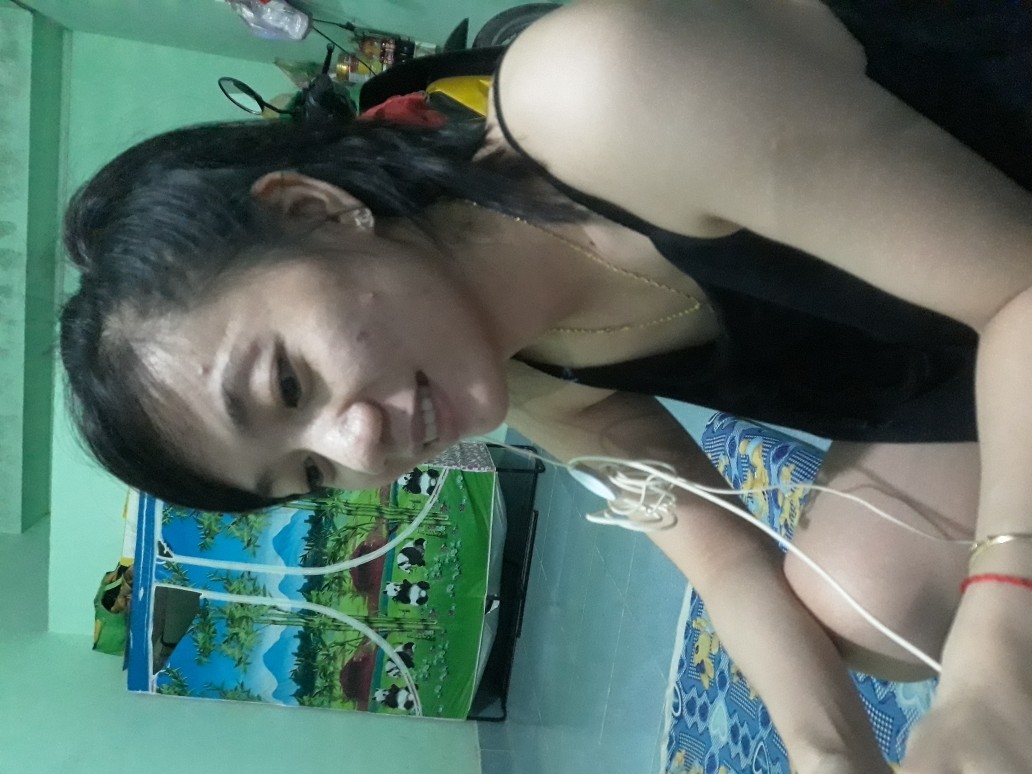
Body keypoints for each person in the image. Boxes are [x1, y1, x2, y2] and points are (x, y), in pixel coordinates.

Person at [59, 1, 1032, 771]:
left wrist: (997, 663)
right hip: (965, 332)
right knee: (867, 604)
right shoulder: (514, 374)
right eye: (309, 474)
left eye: (286, 380)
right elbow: (725, 562)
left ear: (314, 209)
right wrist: (829, 754)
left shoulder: (598, 95)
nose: (359, 450)